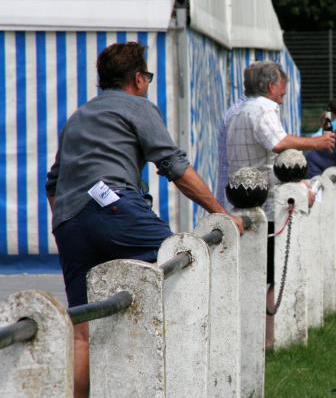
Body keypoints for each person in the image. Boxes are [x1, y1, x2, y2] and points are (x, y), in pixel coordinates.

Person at [45, 42, 243, 398]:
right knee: (185, 265)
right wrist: (221, 213)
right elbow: (174, 166)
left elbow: (53, 183)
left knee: (83, 330)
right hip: (116, 207)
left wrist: (73, 222)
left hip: (68, 220)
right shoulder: (138, 106)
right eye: (147, 77)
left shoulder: (78, 116)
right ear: (138, 78)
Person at [226, 61, 335, 348]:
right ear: (272, 86)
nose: (283, 97)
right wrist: (318, 143)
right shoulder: (264, 109)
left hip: (242, 198)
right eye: (283, 92)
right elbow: (278, 143)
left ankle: (250, 337)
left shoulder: (236, 111)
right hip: (267, 204)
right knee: (270, 274)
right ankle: (267, 340)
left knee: (251, 272)